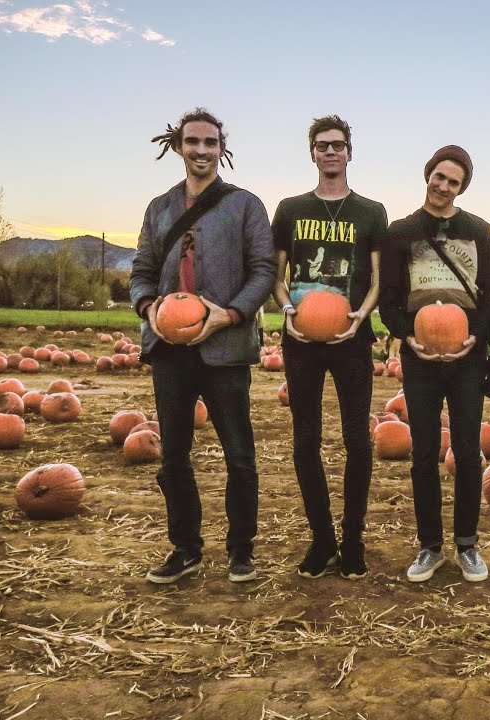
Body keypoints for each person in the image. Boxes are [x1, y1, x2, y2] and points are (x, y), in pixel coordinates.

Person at [131, 108, 276, 584]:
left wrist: (230, 314)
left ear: (222, 149)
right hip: (170, 350)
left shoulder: (246, 205)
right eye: (192, 142)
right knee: (174, 456)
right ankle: (186, 549)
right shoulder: (159, 208)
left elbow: (263, 271)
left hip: (226, 347)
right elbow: (142, 272)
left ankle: (241, 551)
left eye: (210, 143)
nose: (201, 150)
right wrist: (148, 307)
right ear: (179, 146)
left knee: (239, 454)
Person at [270, 115, 388, 580]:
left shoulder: (371, 212)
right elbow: (277, 275)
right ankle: (321, 539)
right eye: (322, 146)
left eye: (338, 145)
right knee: (306, 440)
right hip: (301, 341)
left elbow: (378, 278)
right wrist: (287, 311)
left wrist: (363, 314)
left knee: (358, 440)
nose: (331, 152)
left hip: (352, 338)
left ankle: (353, 538)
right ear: (312, 153)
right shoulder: (290, 209)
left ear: (349, 152)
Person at [378, 146, 490, 584]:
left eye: (453, 181)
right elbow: (388, 300)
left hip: (468, 358)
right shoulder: (401, 232)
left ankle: (467, 544)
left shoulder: (479, 232)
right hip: (420, 357)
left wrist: (475, 337)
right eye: (439, 176)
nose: (443, 186)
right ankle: (429, 545)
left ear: (461, 188)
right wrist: (408, 335)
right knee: (424, 452)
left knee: (468, 452)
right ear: (427, 175)